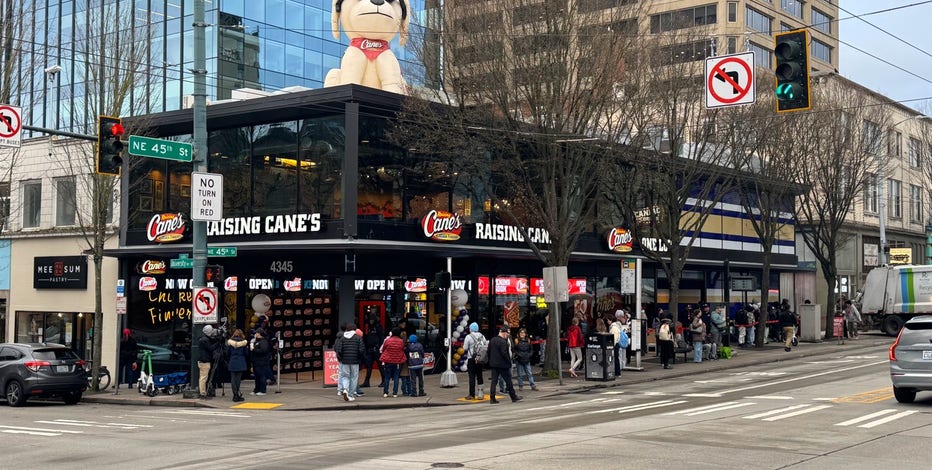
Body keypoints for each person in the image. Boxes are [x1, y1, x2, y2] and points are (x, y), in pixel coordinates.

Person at [488, 325, 522, 404]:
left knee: (494, 381)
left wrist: (491, 360)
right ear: (503, 332)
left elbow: (489, 351)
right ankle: (513, 396)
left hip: (494, 364)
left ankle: (492, 398)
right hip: (503, 364)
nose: (508, 335)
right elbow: (504, 353)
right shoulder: (503, 342)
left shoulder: (492, 340)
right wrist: (509, 361)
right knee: (508, 381)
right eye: (507, 333)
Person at [333, 323, 365, 401]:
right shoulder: (358, 338)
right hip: (355, 361)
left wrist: (342, 358)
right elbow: (361, 350)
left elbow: (339, 350)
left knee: (345, 376)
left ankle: (345, 389)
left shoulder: (342, 338)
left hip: (345, 361)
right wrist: (359, 358)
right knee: (354, 377)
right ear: (355, 329)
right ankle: (350, 394)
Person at [379, 327, 406, 398]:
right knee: (396, 377)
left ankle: (385, 392)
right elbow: (402, 349)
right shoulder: (401, 341)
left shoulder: (388, 340)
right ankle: (395, 393)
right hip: (397, 361)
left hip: (388, 361)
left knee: (387, 377)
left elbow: (384, 348)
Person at [462, 322, 486, 400]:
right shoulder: (482, 336)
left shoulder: (468, 337)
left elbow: (465, 348)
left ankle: (472, 394)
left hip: (471, 359)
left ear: (471, 329)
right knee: (480, 375)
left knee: (472, 376)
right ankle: (480, 394)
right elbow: (485, 346)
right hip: (480, 358)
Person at [197, 325, 220, 399]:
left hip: (203, 360)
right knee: (203, 378)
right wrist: (218, 343)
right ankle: (203, 393)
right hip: (205, 361)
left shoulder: (204, 339)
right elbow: (210, 348)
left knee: (203, 377)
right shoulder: (205, 340)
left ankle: (203, 392)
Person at [361, 315, 384, 388]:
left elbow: (381, 338)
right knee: (369, 366)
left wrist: (381, 348)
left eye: (372, 320)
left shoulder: (378, 327)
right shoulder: (368, 328)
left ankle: (384, 380)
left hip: (376, 349)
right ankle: (366, 382)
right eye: (370, 320)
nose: (371, 321)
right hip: (370, 349)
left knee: (380, 366)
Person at [226, 329, 248, 402]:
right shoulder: (243, 343)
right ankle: (237, 395)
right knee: (238, 379)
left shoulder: (230, 343)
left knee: (233, 379)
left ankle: (235, 394)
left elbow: (227, 353)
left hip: (232, 360)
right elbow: (246, 353)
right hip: (240, 360)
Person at [250, 329, 272, 396]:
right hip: (256, 361)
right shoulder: (256, 341)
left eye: (256, 333)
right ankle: (256, 389)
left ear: (259, 334)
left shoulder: (264, 341)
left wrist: (254, 349)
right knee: (257, 377)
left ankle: (263, 390)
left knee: (262, 376)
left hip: (262, 362)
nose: (255, 334)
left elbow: (263, 350)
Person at [609, 310, 627, 376]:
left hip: (617, 342)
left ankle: (618, 370)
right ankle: (621, 368)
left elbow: (615, 337)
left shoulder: (614, 326)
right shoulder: (622, 323)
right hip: (621, 341)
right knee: (621, 356)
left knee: (617, 357)